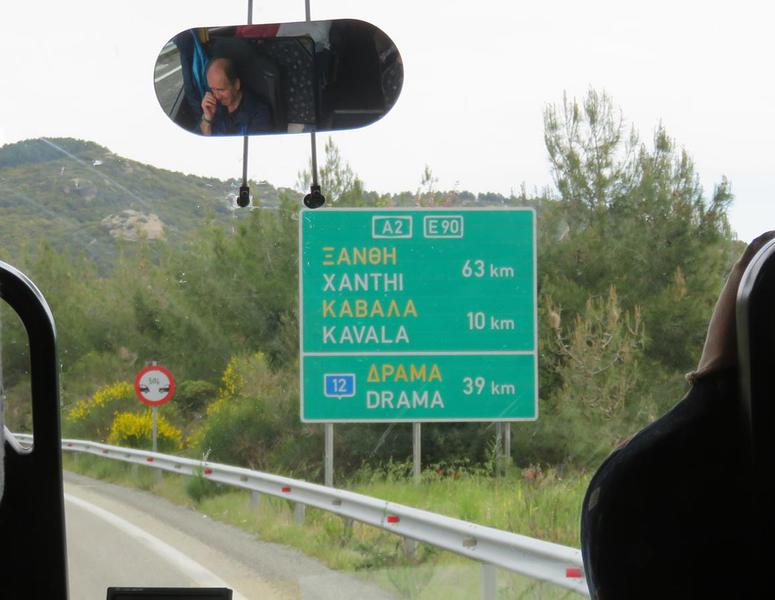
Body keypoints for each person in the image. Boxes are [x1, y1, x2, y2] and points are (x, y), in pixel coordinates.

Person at [199, 57, 273, 136]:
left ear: (236, 84)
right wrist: (207, 119)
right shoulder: (212, 105)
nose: (217, 96)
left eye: (221, 90)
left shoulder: (258, 113)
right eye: (212, 89)